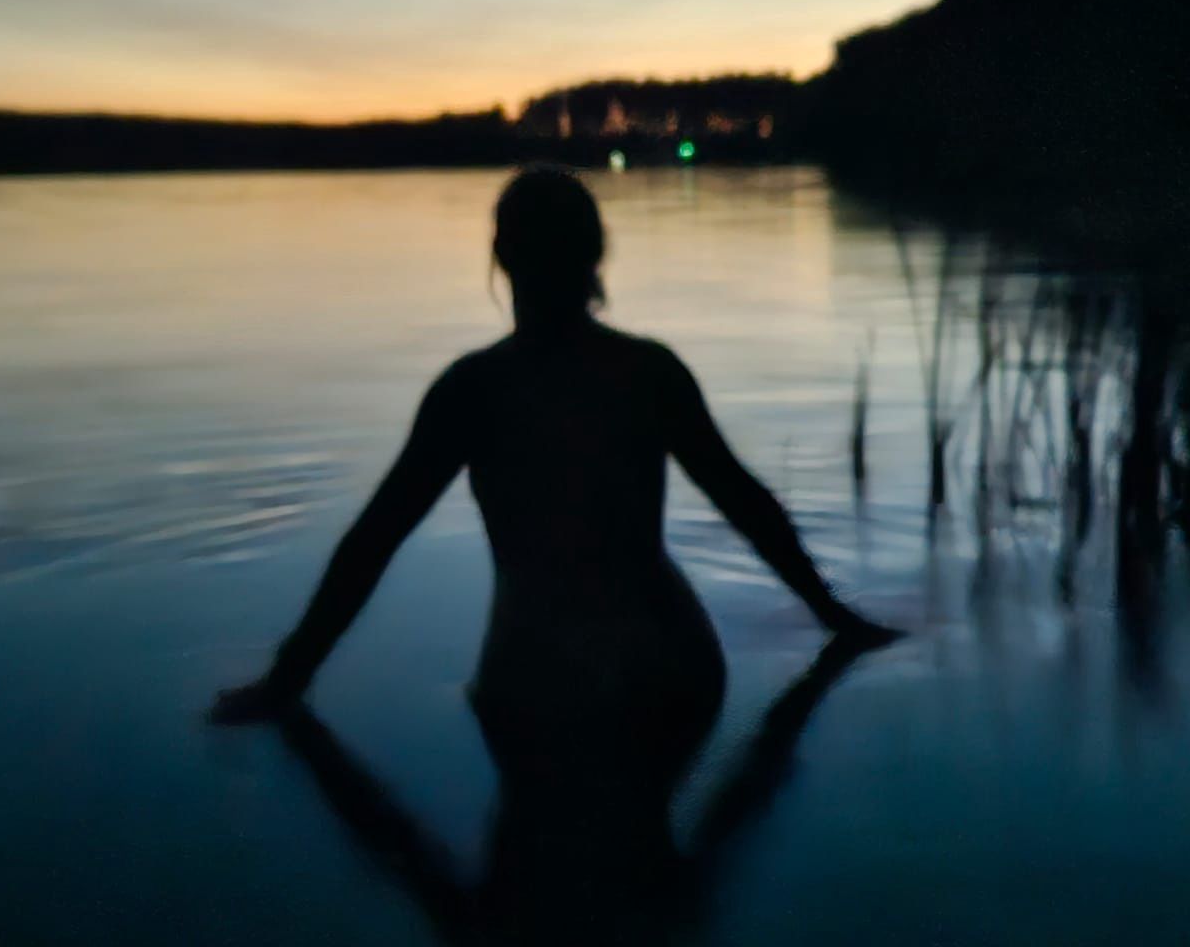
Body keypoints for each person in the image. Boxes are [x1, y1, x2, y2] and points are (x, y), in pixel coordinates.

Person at [211, 165, 894, 729]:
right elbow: (745, 504)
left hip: (536, 675)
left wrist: (286, 680)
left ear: (502, 258)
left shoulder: (470, 391)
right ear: (596, 256)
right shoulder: (649, 372)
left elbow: (374, 541)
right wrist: (834, 618)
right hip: (669, 662)